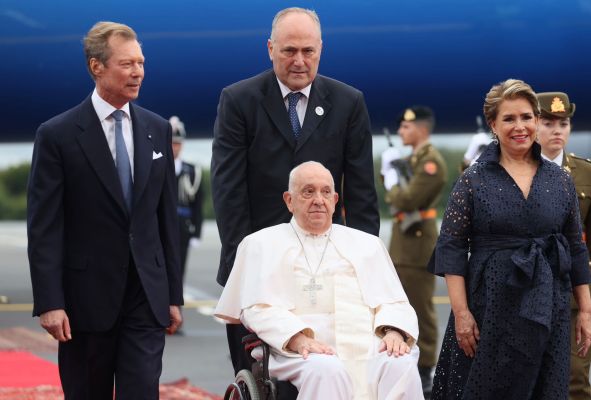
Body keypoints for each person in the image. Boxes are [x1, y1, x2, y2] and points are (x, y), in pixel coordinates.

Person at [211, 7, 380, 373]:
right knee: (256, 373)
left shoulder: (348, 102)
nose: (299, 61)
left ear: (321, 49)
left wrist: (367, 267)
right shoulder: (239, 100)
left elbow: (362, 192)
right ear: (270, 48)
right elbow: (229, 192)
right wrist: (247, 261)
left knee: (329, 371)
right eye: (289, 51)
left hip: (327, 270)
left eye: (308, 51)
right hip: (259, 264)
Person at [27, 21, 183, 398]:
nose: (138, 72)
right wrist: (50, 302)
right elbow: (45, 226)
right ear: (97, 67)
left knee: (142, 391)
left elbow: (166, 219)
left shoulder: (156, 128)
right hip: (85, 301)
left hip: (145, 296)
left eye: (141, 63)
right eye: (127, 63)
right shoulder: (57, 135)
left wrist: (173, 295)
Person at [428, 79, 591, 399]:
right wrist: (461, 314)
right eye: (509, 119)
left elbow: (575, 245)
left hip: (550, 307)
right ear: (493, 124)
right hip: (489, 308)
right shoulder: (473, 180)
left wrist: (584, 310)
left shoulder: (560, 180)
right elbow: (451, 247)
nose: (520, 126)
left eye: (527, 117)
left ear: (535, 119)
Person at [215, 161, 423, 400]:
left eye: (325, 192)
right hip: (296, 350)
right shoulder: (261, 244)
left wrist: (394, 331)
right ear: (289, 200)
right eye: (308, 191)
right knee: (327, 370)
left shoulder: (367, 244)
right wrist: (297, 338)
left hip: (367, 345)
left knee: (400, 363)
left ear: (335, 200)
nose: (318, 199)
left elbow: (394, 301)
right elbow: (257, 310)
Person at [536, 91, 591, 400]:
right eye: (548, 123)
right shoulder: (518, 169)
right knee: (532, 376)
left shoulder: (586, 171)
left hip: (577, 288)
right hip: (530, 285)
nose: (557, 130)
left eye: (563, 123)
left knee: (575, 379)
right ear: (534, 125)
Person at [381, 106, 447, 397]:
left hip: (418, 246)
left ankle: (426, 370)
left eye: (406, 128)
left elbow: (407, 200)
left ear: (421, 129)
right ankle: (407, 366)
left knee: (421, 310)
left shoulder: (430, 162)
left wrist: (391, 183)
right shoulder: (413, 160)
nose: (401, 132)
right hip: (403, 244)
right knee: (402, 307)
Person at [170, 116, 204, 282]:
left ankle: (176, 306)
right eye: (171, 143)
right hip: (161, 225)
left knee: (179, 267)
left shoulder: (191, 171)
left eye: (177, 143)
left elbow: (197, 205)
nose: (174, 147)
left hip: (182, 226)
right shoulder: (157, 166)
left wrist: (196, 233)